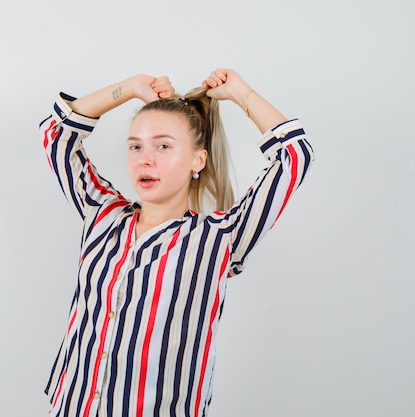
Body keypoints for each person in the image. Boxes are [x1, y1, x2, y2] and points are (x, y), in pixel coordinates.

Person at [38, 68, 314, 417]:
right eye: (135, 146)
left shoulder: (217, 239)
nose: (145, 158)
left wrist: (242, 95)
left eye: (163, 146)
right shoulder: (102, 214)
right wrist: (129, 88)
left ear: (198, 160)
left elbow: (294, 156)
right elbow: (56, 133)